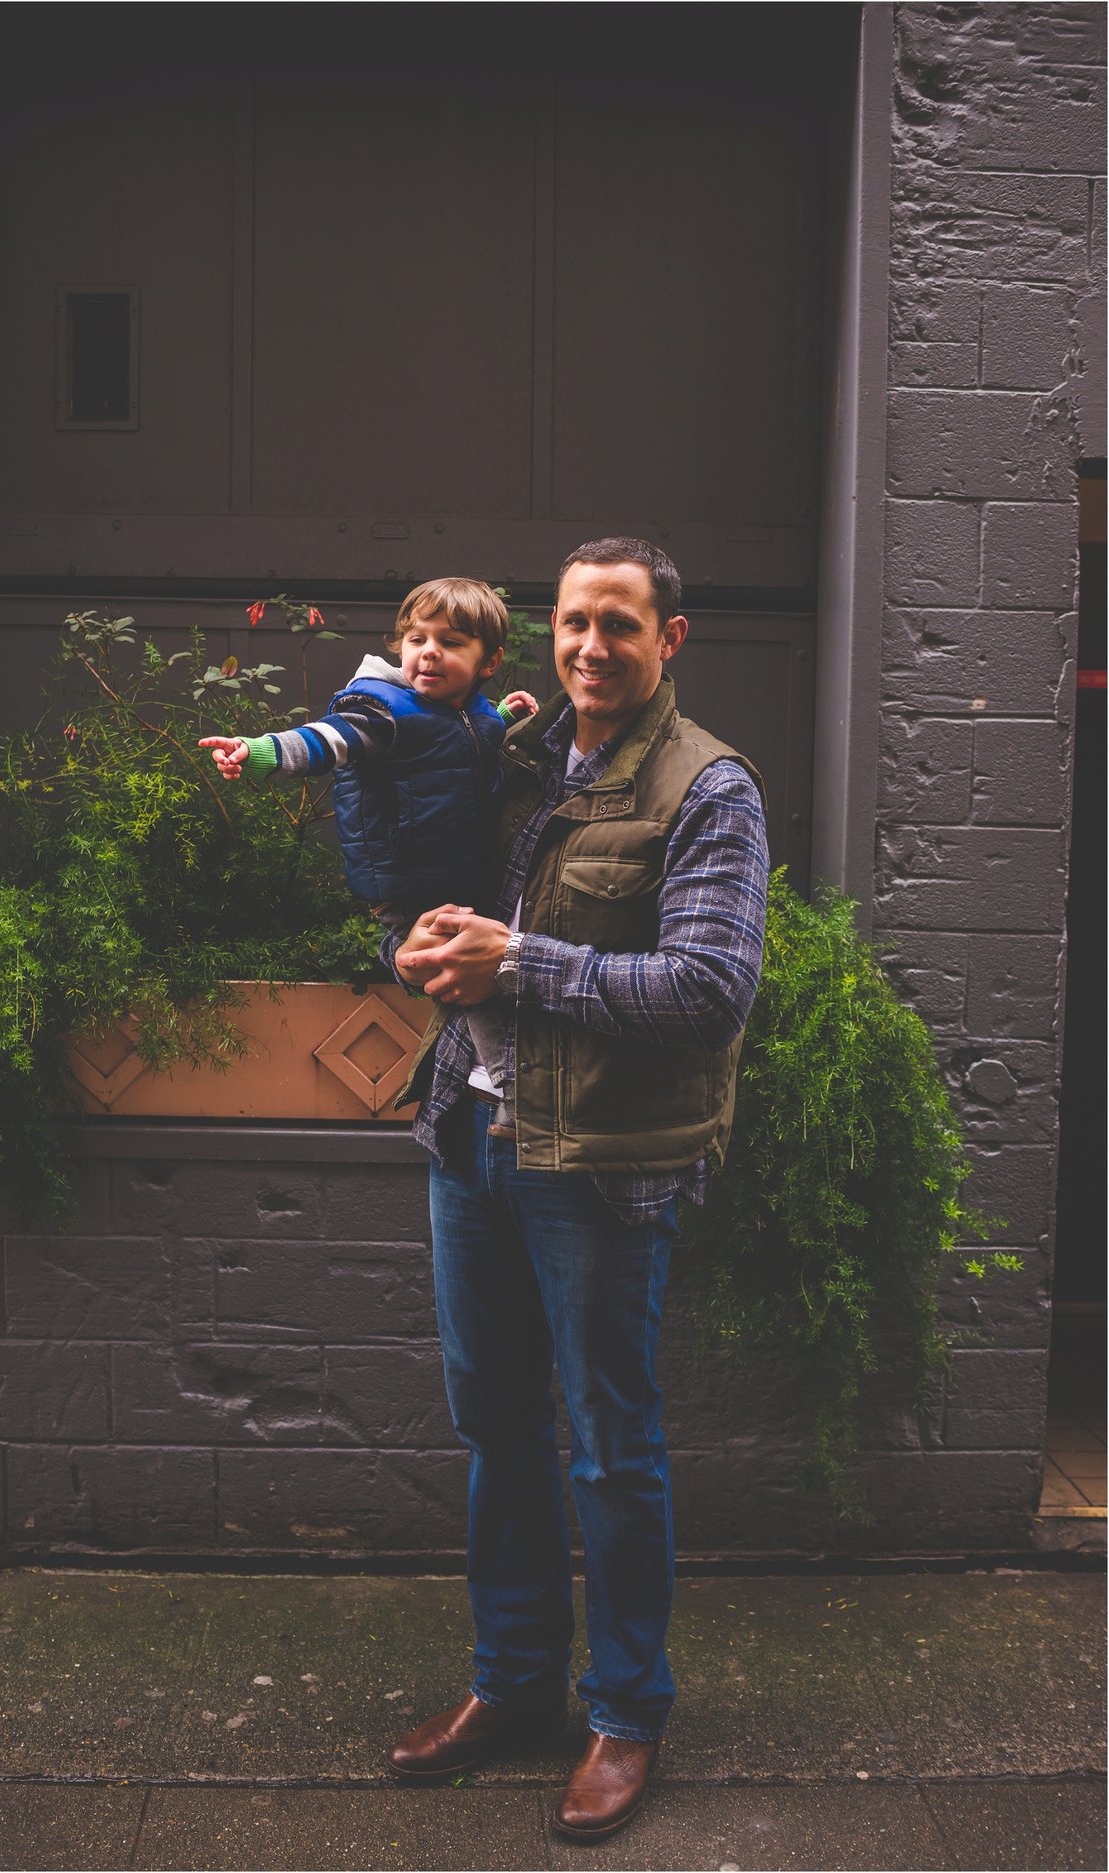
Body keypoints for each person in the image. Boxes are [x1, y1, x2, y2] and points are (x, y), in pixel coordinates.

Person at [380, 538, 768, 1844]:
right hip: (473, 1143)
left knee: (610, 1440)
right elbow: (460, 910)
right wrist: (425, 936)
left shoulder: (709, 786)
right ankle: (514, 1684)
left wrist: (521, 962)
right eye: (572, 622)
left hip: (600, 1167)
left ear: (671, 638)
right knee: (496, 1426)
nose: (590, 645)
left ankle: (626, 1713)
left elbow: (710, 988)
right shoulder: (524, 761)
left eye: (619, 624)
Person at [199, 577, 535, 938]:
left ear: (489, 661)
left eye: (450, 642)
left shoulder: (474, 712)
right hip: (405, 885)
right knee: (444, 964)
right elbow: (324, 740)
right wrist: (261, 751)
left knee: (474, 968)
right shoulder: (382, 713)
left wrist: (500, 717)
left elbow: (460, 744)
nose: (430, 651)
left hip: (460, 876)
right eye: (417, 639)